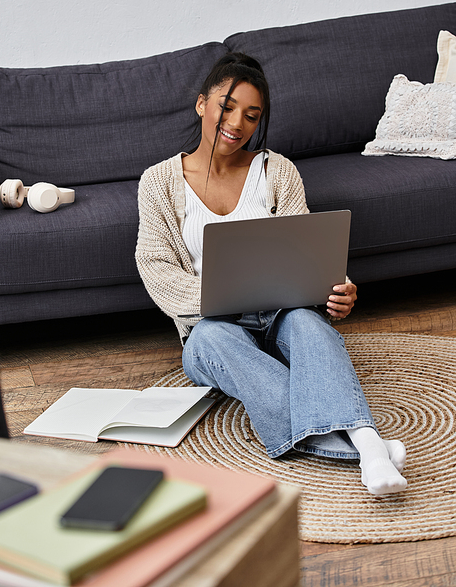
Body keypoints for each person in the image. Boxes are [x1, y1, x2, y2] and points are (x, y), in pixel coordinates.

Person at [136, 53, 407, 496]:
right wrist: (223, 297)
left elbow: (304, 254)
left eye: (251, 114)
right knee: (209, 339)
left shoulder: (277, 171)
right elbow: (156, 269)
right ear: (202, 104)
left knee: (307, 323)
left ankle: (365, 446)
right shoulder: (159, 182)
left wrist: (332, 290)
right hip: (212, 324)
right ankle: (369, 447)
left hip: (280, 313)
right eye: (227, 106)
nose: (237, 122)